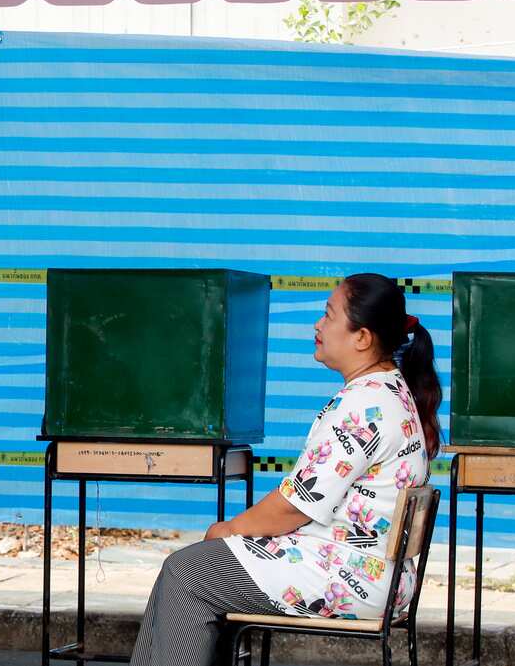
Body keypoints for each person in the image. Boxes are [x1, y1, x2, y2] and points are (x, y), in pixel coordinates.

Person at [130, 273, 440, 666]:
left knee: (187, 575)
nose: (317, 325)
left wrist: (227, 530)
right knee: (188, 570)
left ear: (361, 337)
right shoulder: (390, 391)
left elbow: (296, 506)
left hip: (350, 575)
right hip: (372, 572)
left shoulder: (363, 407)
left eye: (328, 315)